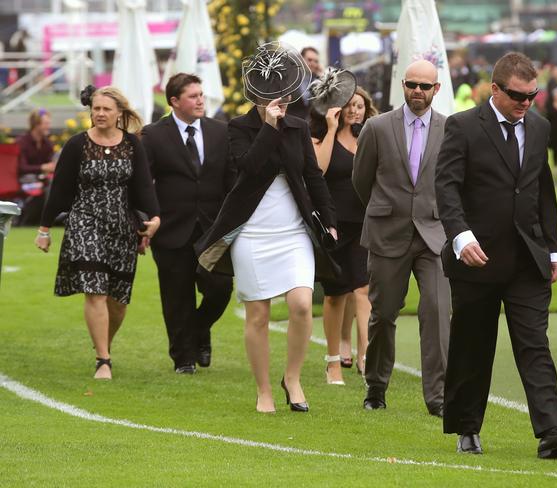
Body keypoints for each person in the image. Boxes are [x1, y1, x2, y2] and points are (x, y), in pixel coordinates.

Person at [435, 52, 557, 458]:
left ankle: (551, 433)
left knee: (534, 343)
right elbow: (447, 188)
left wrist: (553, 249)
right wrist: (460, 237)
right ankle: (467, 428)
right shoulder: (463, 126)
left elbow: (542, 192)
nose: (525, 103)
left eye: (532, 96)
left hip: (528, 259)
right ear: (494, 89)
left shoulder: (538, 128)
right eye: (517, 96)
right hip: (476, 258)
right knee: (474, 344)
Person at [195, 42, 337, 414]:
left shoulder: (299, 126)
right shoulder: (238, 128)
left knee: (302, 305)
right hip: (252, 233)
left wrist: (330, 220)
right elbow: (250, 166)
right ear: (258, 94)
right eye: (274, 95)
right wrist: (270, 126)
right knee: (257, 314)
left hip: (293, 232)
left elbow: (313, 176)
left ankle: (292, 377)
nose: (283, 99)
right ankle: (263, 390)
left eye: (287, 93)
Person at [35, 86, 160, 380]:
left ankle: (103, 343)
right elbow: (60, 190)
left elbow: (143, 187)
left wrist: (153, 219)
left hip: (120, 225)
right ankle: (103, 360)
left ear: (119, 113)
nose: (100, 113)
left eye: (106, 109)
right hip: (84, 221)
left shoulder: (132, 145)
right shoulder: (77, 144)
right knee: (95, 290)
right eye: (96, 108)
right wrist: (44, 229)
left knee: (117, 300)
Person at [352, 59, 450, 416]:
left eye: (425, 86)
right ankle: (375, 387)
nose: (418, 92)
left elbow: (453, 183)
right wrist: (386, 210)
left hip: (433, 235)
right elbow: (361, 181)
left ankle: (438, 397)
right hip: (387, 233)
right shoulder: (377, 128)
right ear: (403, 86)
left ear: (436, 89)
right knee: (383, 313)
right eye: (412, 85)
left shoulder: (448, 128)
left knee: (438, 312)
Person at [141, 73, 235, 375]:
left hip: (212, 230)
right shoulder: (153, 135)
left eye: (201, 94)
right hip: (170, 230)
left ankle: (197, 331)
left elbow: (230, 181)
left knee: (220, 287)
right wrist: (147, 220)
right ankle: (183, 359)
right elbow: (143, 184)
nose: (200, 100)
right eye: (193, 96)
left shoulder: (221, 132)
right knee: (176, 295)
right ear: (174, 101)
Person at [310, 79, 378, 384]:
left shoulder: (370, 137)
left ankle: (366, 356)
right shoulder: (322, 137)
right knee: (336, 295)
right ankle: (333, 360)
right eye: (350, 106)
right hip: (333, 225)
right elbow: (319, 170)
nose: (355, 111)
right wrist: (331, 127)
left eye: (360, 106)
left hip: (364, 223)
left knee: (363, 289)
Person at [17, 108, 56, 225]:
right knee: (38, 184)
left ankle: (50, 219)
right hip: (24, 179)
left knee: (55, 183)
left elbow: (50, 165)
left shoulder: (48, 144)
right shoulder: (22, 142)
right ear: (36, 125)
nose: (48, 126)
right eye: (46, 124)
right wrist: (42, 167)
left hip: (42, 179)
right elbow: (21, 168)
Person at [286, 46, 322, 120]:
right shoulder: (289, 78)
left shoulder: (319, 80)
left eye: (316, 61)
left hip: (312, 127)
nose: (312, 63)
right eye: (309, 60)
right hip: (291, 125)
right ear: (301, 59)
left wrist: (322, 75)